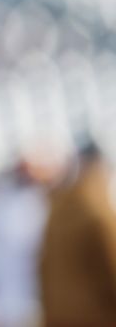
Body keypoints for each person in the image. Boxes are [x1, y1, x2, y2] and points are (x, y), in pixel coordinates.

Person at [38, 139, 116, 326]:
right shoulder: (97, 209)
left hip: (59, 315)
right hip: (95, 316)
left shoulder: (57, 208)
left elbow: (42, 265)